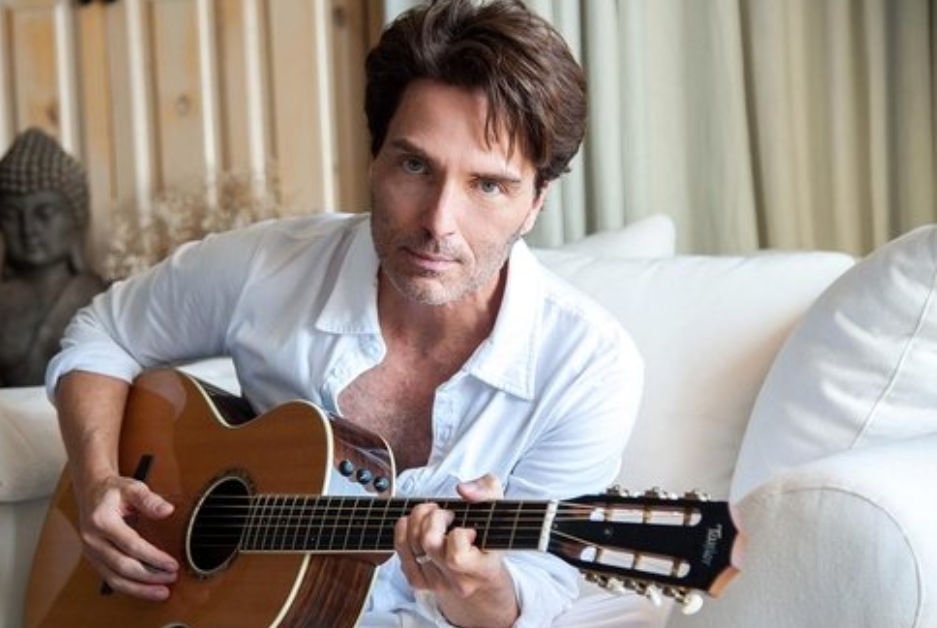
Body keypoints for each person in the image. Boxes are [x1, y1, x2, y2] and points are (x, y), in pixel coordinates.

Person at [46, 1, 657, 626]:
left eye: (488, 185)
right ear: (374, 157)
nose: (438, 223)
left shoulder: (588, 366)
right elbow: (103, 333)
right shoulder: (268, 267)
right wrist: (97, 481)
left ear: (536, 202)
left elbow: (538, 590)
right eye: (414, 165)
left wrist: (479, 588)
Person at [0, 128, 105, 390]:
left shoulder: (107, 296)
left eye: (44, 214)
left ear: (76, 217)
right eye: (12, 216)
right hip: (4, 417)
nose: (28, 229)